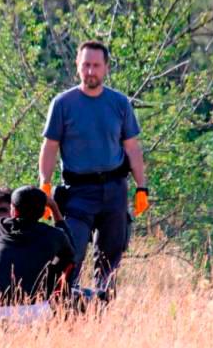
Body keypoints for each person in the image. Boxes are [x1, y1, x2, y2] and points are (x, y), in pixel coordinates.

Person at [38, 40, 148, 291]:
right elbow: (50, 147)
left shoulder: (120, 103)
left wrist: (142, 187)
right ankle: (66, 305)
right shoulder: (63, 104)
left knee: (110, 257)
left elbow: (132, 147)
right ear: (78, 65)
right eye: (86, 65)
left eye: (96, 65)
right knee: (70, 252)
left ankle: (102, 307)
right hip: (77, 192)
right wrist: (44, 185)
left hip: (114, 190)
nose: (90, 71)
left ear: (106, 68)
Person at [0, 186, 75, 329]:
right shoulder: (54, 235)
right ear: (43, 212)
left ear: (13, 210)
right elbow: (72, 255)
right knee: (65, 262)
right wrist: (54, 208)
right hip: (34, 312)